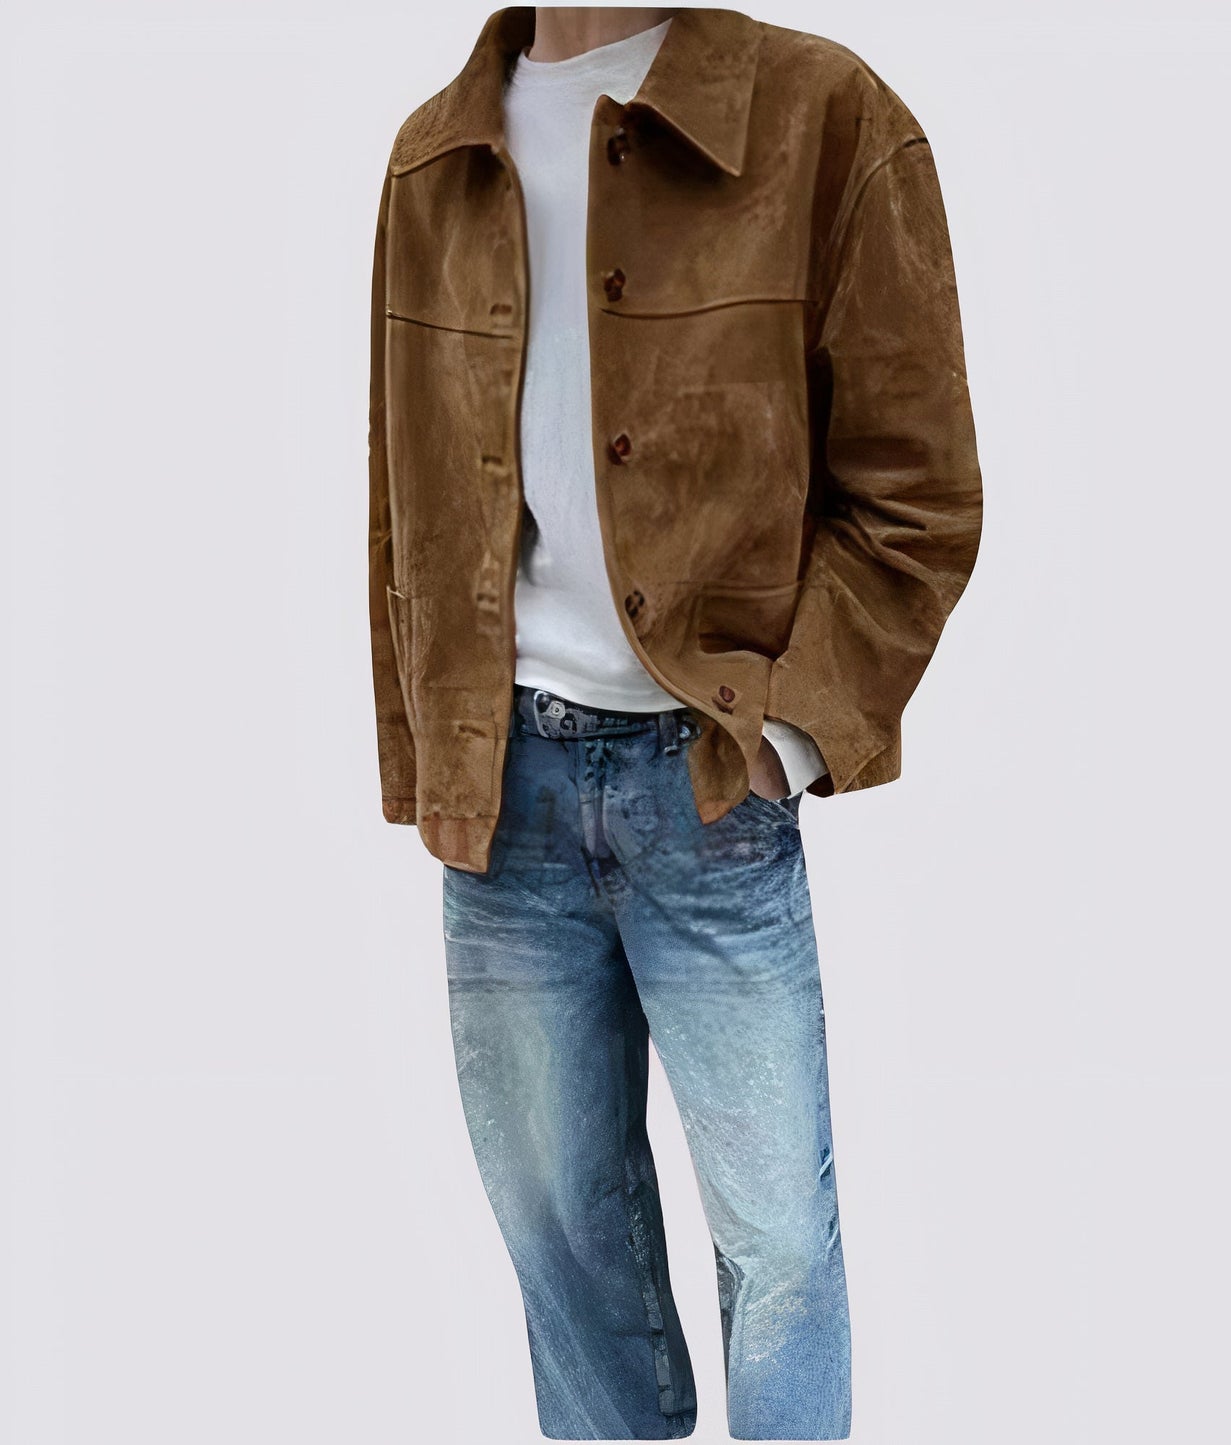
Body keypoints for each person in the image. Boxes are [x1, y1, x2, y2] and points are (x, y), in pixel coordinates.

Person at [368, 6, 983, 1437]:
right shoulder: (434, 156)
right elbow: (400, 503)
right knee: (559, 1245)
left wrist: (787, 737)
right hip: (506, 797)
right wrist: (433, 762)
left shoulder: (822, 114)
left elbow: (920, 493)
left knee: (778, 1248)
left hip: (708, 783)